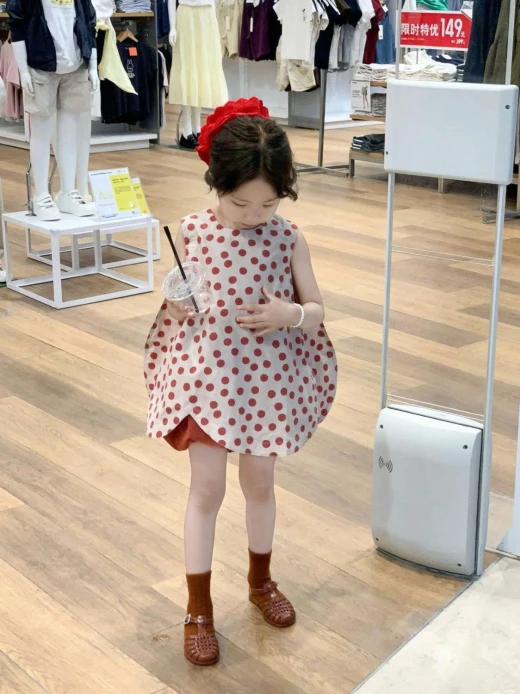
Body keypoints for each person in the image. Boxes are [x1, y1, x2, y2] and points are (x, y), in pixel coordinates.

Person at [144, 97, 337, 667]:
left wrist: (290, 314)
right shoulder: (192, 231)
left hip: (265, 382)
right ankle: (198, 609)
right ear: (216, 183)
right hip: (208, 380)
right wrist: (175, 302)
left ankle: (260, 581)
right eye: (240, 202)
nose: (254, 214)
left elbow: (316, 309)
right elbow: (177, 301)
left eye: (268, 203)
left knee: (260, 485)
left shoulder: (288, 237)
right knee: (206, 490)